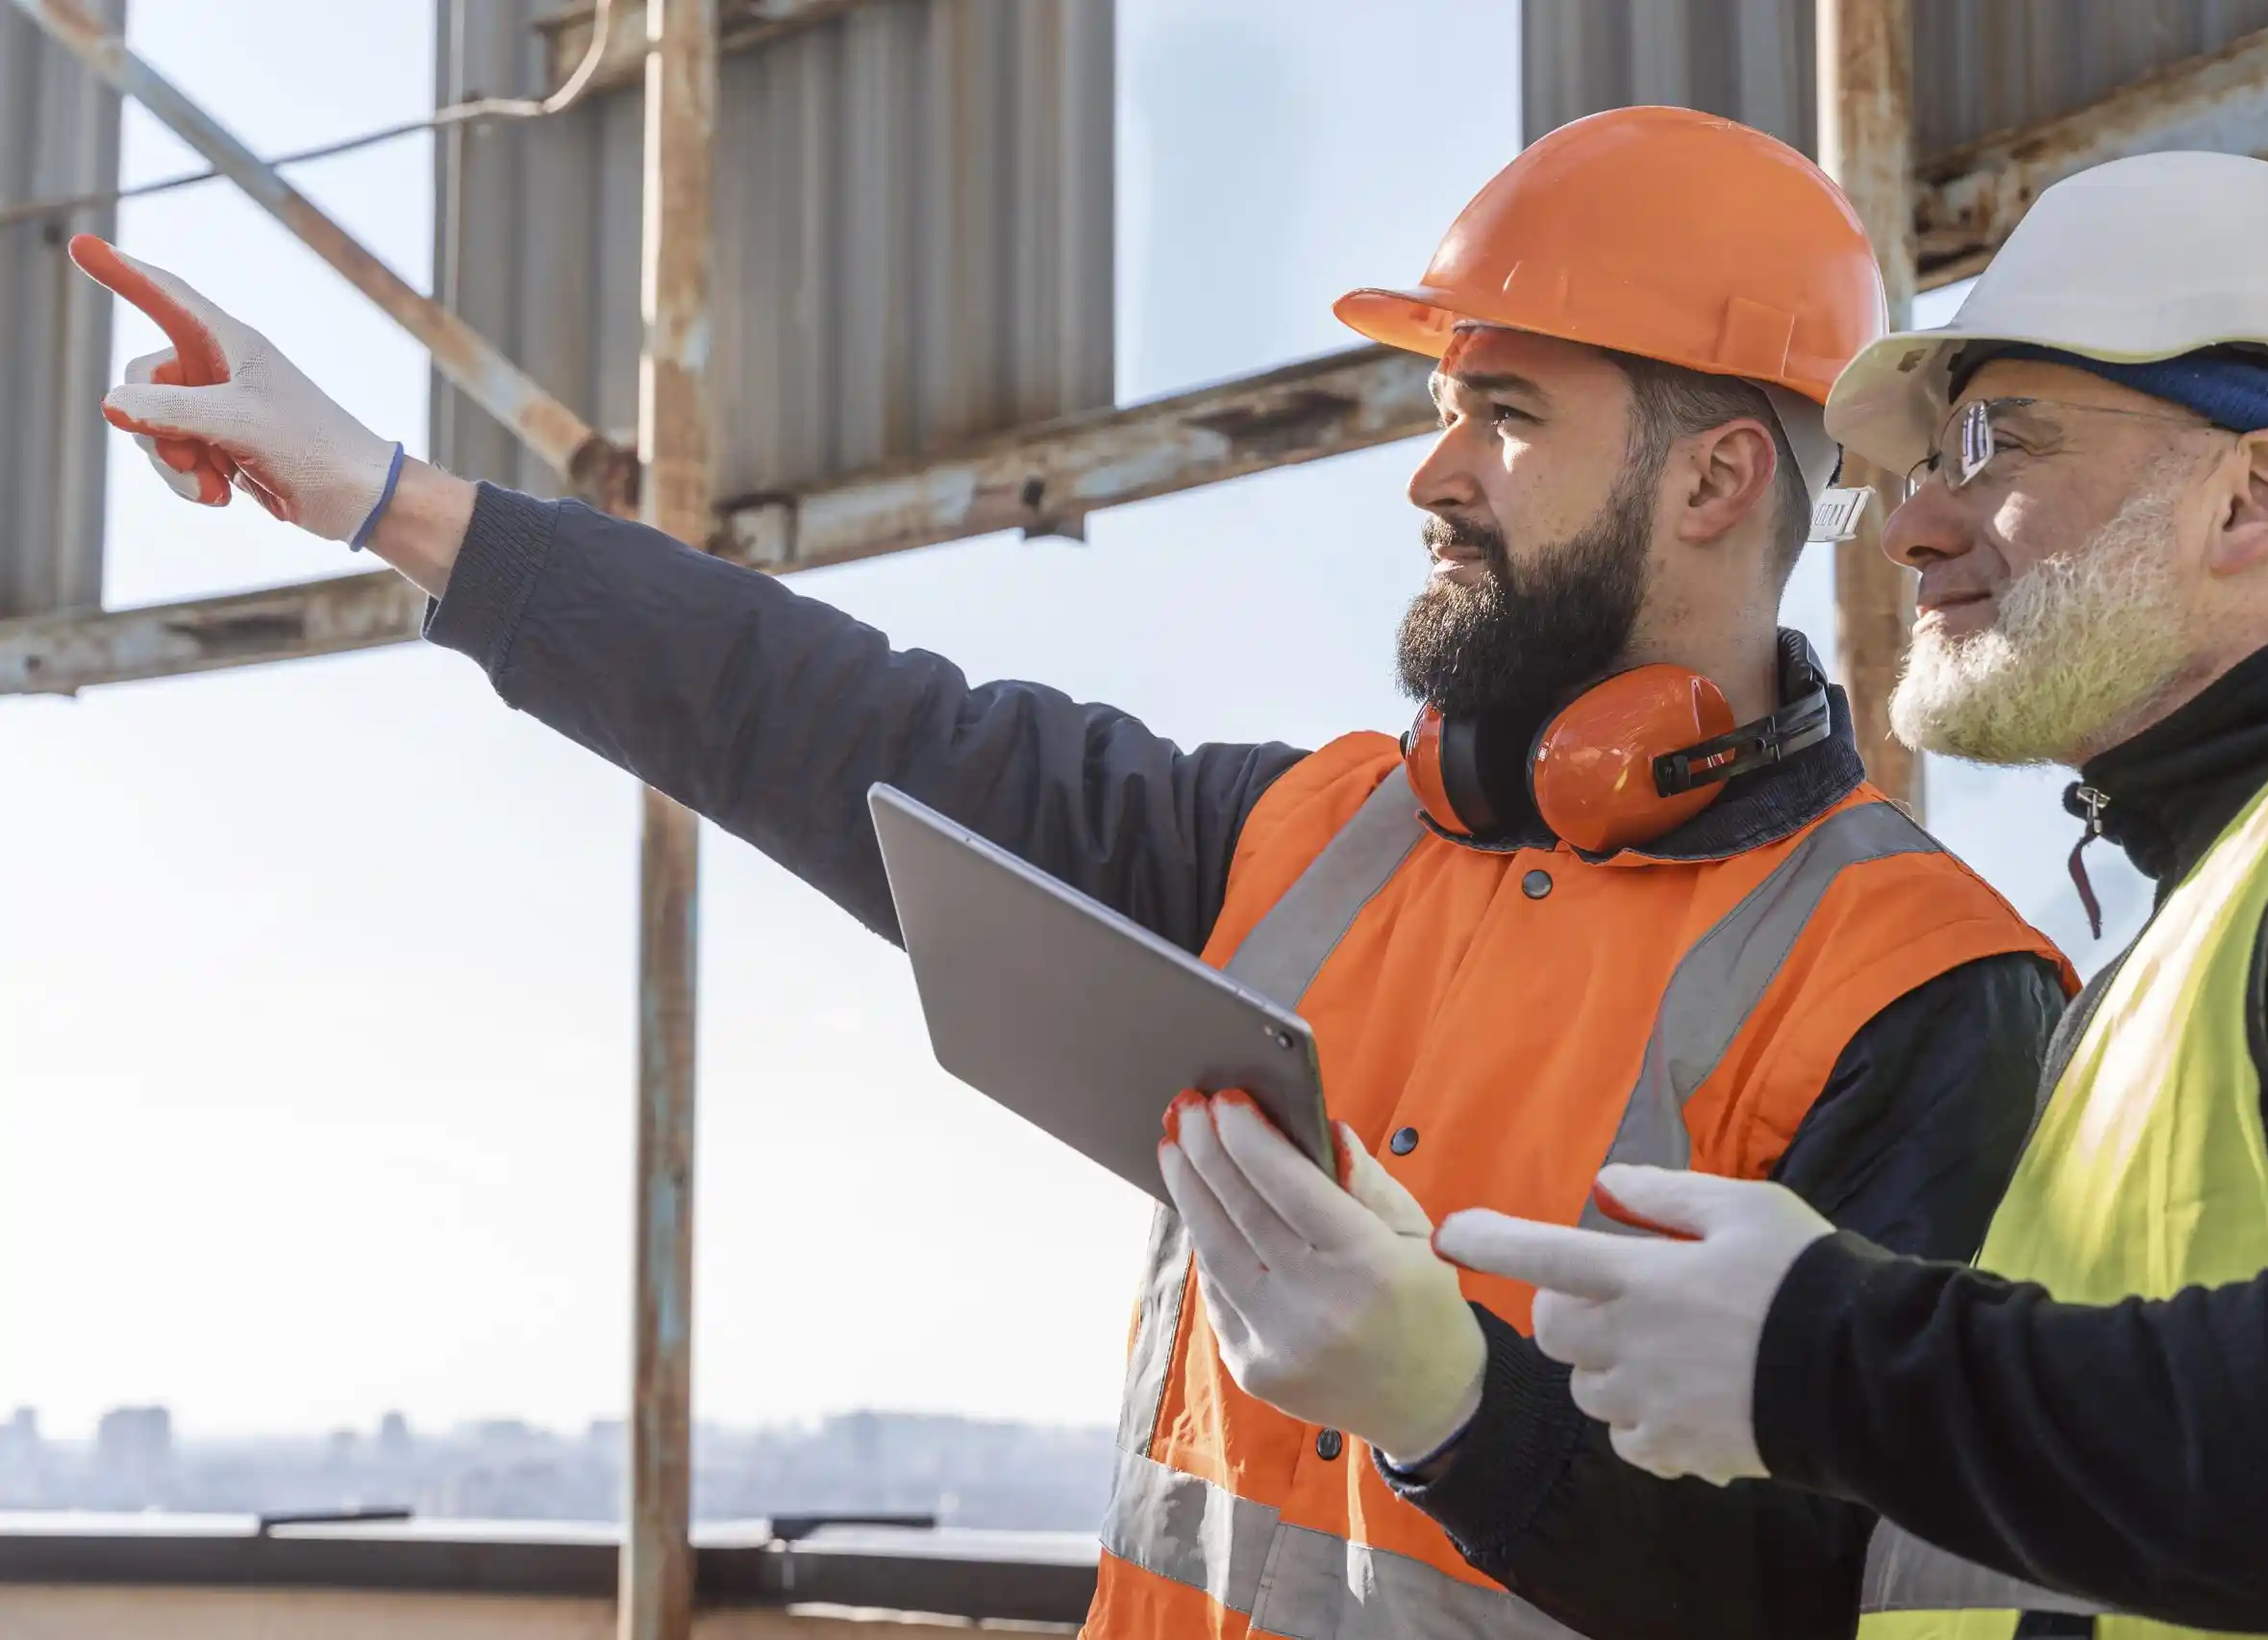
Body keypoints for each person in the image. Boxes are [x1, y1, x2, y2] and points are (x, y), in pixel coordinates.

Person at [71, 109, 2070, 1640]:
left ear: (1716, 480)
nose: (1427, 472)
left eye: (1502, 413)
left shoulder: (1918, 995)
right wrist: (375, 492)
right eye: (1440, 406)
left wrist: (1464, 1413)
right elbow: (824, 712)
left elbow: (1859, 1606)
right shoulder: (1300, 838)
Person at [1440, 148, 2268, 1639]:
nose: (1913, 524)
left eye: (1996, 441)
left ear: (2255, 494)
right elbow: (1910, 1566)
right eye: (1922, 469)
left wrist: (1828, 1356)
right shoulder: (2200, 918)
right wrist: (1444, 1405)